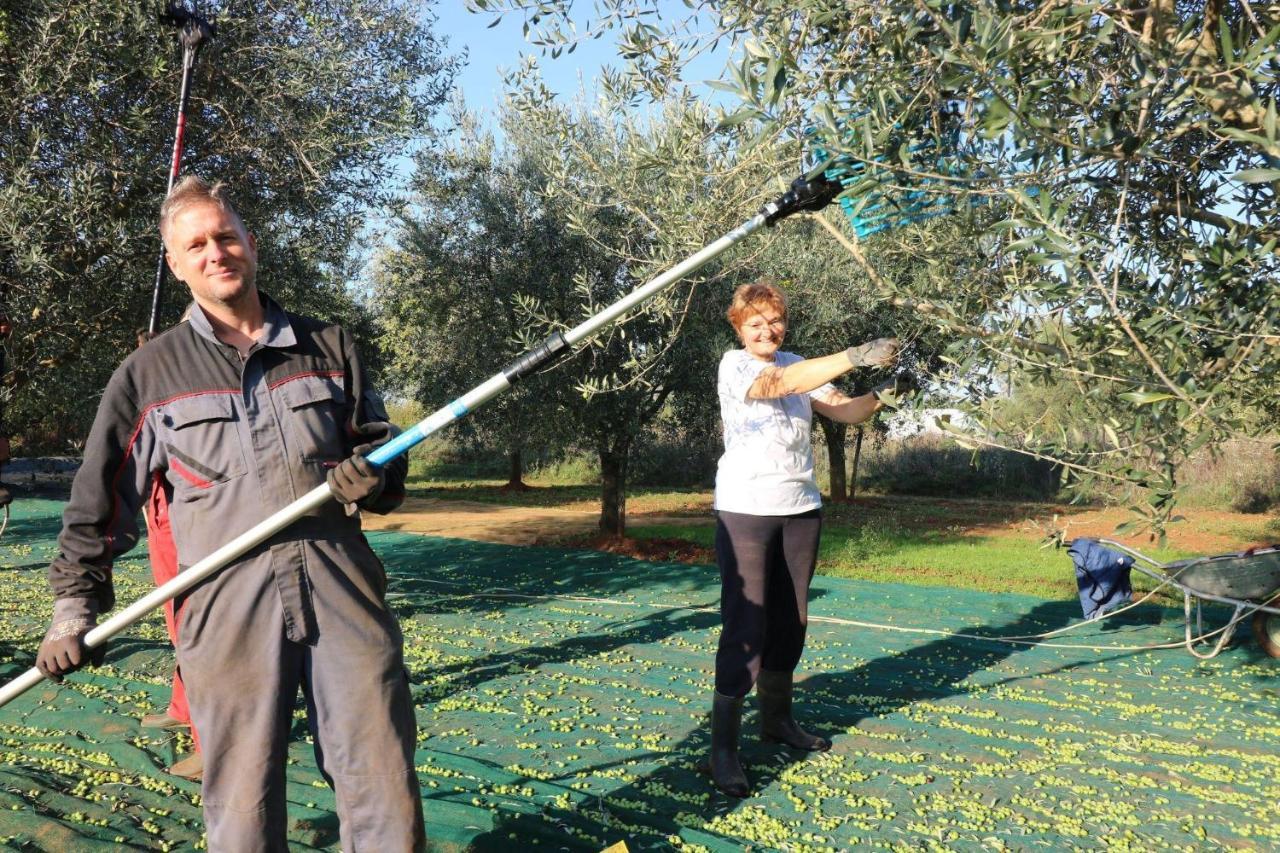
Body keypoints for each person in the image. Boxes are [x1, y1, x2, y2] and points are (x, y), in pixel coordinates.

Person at [34, 175, 424, 850]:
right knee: (241, 806)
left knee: (382, 779)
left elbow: (383, 461)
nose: (216, 251)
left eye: (226, 235)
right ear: (177, 264)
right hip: (225, 610)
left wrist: (377, 477)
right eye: (196, 244)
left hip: (343, 594)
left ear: (252, 243)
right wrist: (75, 605)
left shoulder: (328, 346)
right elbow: (100, 498)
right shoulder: (149, 374)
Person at [708, 280, 899, 798]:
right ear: (739, 328)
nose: (766, 330)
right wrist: (855, 354)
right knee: (746, 623)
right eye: (755, 323)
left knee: (791, 622)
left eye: (774, 320)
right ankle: (723, 749)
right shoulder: (738, 366)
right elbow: (780, 384)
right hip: (746, 510)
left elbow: (843, 410)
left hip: (801, 510)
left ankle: (777, 723)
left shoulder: (799, 364)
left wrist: (881, 396)